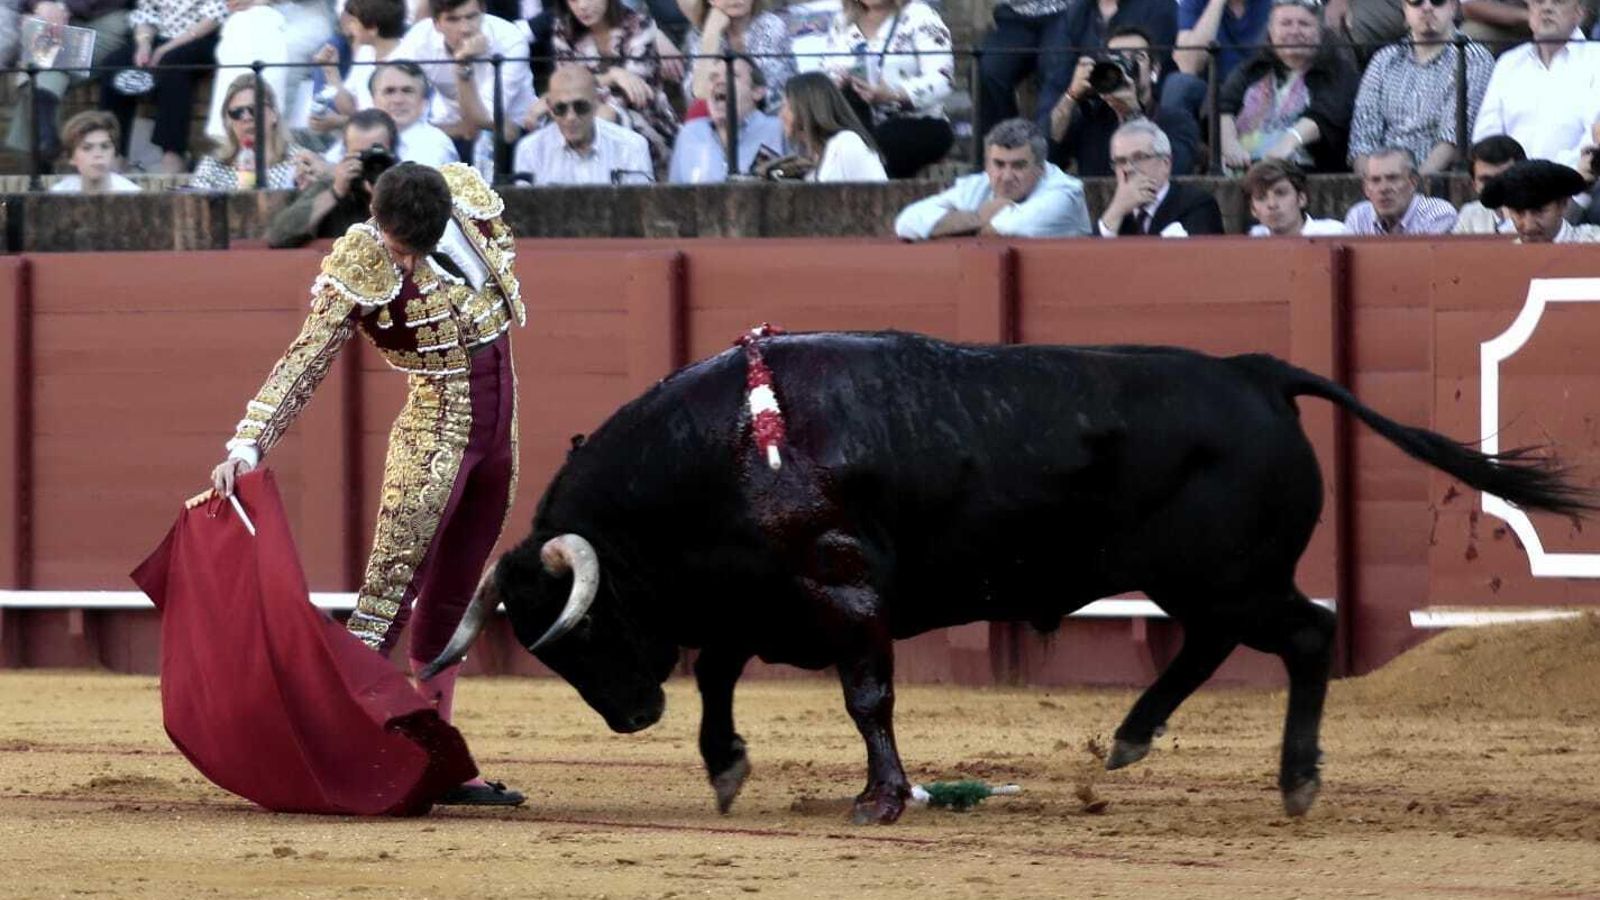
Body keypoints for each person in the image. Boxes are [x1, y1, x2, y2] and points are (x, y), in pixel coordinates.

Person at [211, 161, 528, 806]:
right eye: (395, 245)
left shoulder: (466, 205)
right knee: (386, 601)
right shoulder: (361, 260)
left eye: (415, 247)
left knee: (452, 597)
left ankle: (440, 762)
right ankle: (330, 752)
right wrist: (247, 444)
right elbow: (308, 356)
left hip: (499, 441)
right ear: (375, 220)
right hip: (433, 438)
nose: (402, 261)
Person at [1347, 0, 1494, 174]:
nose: (1427, 7)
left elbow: (1453, 140)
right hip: (1380, 184)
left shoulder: (1473, 57)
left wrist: (1413, 187)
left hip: (1437, 183)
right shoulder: (1383, 59)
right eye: (1416, 1)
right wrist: (1373, 185)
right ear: (1404, 9)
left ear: (1453, 7)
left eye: (1437, 1)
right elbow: (1362, 138)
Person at [1217, 0, 1360, 174]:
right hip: (1242, 169)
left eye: (1304, 24)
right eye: (1285, 24)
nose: (1294, 31)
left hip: (1304, 172)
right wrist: (1230, 145)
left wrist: (1287, 144)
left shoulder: (1339, 70)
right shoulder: (1253, 68)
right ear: (1270, 31)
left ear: (1320, 32)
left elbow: (1327, 115)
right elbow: (1222, 106)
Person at [894, 118, 1091, 240]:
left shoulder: (1065, 192)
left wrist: (951, 227)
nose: (1006, 177)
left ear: (1040, 168)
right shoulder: (978, 184)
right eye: (998, 164)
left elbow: (1005, 230)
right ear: (987, 164)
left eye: (1018, 165)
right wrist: (979, 217)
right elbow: (906, 222)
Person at [391, 0, 536, 164]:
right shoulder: (421, 37)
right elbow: (388, 79)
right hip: (454, 127)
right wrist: (452, 129)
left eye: (471, 17)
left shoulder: (510, 39)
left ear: (483, 11)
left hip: (515, 134)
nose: (465, 29)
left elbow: (483, 119)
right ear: (436, 24)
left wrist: (462, 64)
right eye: (453, 19)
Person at [821, 0, 954, 178]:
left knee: (870, 146)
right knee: (844, 143)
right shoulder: (842, 21)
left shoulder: (921, 17)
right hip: (855, 122)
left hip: (917, 124)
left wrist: (894, 95)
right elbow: (827, 71)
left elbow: (942, 79)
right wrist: (837, 84)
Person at [1046, 25, 1201, 177]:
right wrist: (1071, 95)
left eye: (1137, 57)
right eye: (1116, 57)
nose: (1125, 64)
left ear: (1155, 70)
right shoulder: (1091, 119)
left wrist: (1133, 114)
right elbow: (1049, 157)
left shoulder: (1177, 120)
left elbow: (1175, 169)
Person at [550, 0, 681, 174]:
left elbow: (635, 93)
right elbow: (566, 86)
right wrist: (613, 76)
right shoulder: (563, 29)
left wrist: (589, 92)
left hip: (647, 120)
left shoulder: (639, 24)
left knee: (603, 117)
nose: (582, 6)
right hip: (584, 115)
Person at [97, 0, 226, 174]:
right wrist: (144, 44)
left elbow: (215, 15)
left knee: (172, 65)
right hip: (161, 39)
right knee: (114, 66)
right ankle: (115, 154)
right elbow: (146, 13)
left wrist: (166, 49)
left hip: (203, 38)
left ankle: (173, 155)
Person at [1470, 0, 1600, 166]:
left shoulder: (1596, 60)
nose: (1547, 8)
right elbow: (1486, 136)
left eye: (1558, 2)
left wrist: (1546, 177)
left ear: (1579, 13)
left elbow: (1594, 138)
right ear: (1530, 10)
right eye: (1538, 2)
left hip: (1575, 185)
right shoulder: (1508, 63)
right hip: (1510, 185)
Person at [6, 0, 131, 168]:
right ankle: (44, 142)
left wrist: (60, 8)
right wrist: (41, 5)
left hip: (106, 21)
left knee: (39, 64)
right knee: (46, 59)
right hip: (56, 23)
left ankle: (39, 165)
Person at [268, 108, 398, 247]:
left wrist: (384, 197)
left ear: (393, 151)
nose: (369, 162)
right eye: (360, 155)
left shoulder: (408, 184)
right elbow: (279, 236)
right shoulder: (331, 185)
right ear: (345, 152)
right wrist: (335, 192)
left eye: (376, 154)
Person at [1037, 0, 1177, 128]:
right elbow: (1056, 82)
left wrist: (1131, 110)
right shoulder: (1075, 13)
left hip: (1150, 112)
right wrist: (1072, 95)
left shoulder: (1160, 7)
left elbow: (1150, 72)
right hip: (1093, 112)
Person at [513, 65, 655, 184]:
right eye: (560, 109)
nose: (571, 117)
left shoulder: (632, 147)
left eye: (580, 106)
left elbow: (640, 210)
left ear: (596, 103)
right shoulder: (530, 150)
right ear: (550, 108)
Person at [668, 53, 785, 183]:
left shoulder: (780, 130)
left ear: (757, 92)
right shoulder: (690, 133)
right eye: (713, 77)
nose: (720, 81)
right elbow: (674, 193)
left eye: (732, 75)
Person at [1096, 119, 1223, 236]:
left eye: (1139, 157)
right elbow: (1090, 257)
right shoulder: (1114, 210)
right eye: (1120, 161)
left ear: (1165, 164)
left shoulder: (1197, 205)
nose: (1128, 168)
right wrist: (1115, 211)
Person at [322, 62, 460, 166]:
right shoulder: (363, 133)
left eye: (407, 91)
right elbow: (331, 165)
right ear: (374, 100)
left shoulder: (435, 144)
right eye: (389, 91)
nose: (398, 100)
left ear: (424, 101)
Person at [974, 0, 1072, 147]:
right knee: (989, 70)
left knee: (1056, 71)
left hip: (1066, 11)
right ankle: (1006, 145)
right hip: (1013, 14)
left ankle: (1048, 154)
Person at [189, 74, 306, 190]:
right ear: (229, 121)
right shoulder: (213, 167)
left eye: (254, 109)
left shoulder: (299, 161)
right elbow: (197, 206)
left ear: (274, 114)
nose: (246, 118)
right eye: (236, 112)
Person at [679, 0, 793, 112]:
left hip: (768, 116)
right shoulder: (700, 34)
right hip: (717, 121)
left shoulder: (771, 25)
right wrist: (711, 36)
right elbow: (694, 99)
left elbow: (768, 93)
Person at [775, 70, 887, 182]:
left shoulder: (846, 143)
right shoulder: (815, 156)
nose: (781, 115)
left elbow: (879, 195)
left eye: (785, 106)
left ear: (806, 109)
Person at [1342, 146, 1458, 233]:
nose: (1383, 189)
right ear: (1366, 189)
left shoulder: (1438, 214)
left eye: (1392, 178)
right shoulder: (1359, 216)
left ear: (1413, 182)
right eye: (1375, 180)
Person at [1480, 158, 1600, 241]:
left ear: (1563, 205)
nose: (1529, 226)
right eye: (1518, 213)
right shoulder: (1503, 254)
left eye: (1539, 211)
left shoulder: (1594, 242)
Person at [1244, 157, 1350, 234]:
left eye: (1281, 193)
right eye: (1261, 197)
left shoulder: (1334, 233)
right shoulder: (1249, 243)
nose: (1272, 204)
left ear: (1301, 198)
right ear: (1253, 209)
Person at [49, 110, 142, 193]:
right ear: (71, 157)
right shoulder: (59, 194)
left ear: (114, 153)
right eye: (87, 148)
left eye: (105, 147)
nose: (98, 154)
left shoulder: (132, 194)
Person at [1453, 133, 1524, 233]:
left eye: (1504, 178)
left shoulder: (1541, 213)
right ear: (1475, 185)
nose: (1496, 186)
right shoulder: (1470, 214)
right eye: (1486, 180)